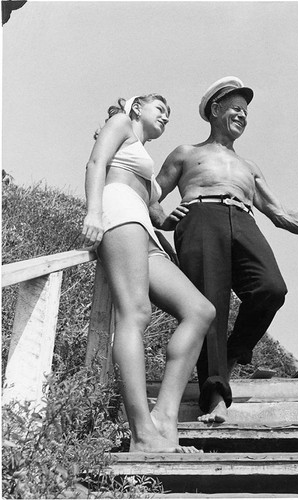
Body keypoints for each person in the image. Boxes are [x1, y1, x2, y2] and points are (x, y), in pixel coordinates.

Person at [150, 76, 298, 424]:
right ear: (215, 109)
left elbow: (281, 215)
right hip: (200, 217)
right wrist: (162, 218)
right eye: (236, 108)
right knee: (211, 306)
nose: (242, 115)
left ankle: (235, 353)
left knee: (271, 288)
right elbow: (152, 193)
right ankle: (216, 398)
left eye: (246, 111)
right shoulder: (186, 153)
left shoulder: (249, 168)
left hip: (244, 218)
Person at [81, 93, 215, 452]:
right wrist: (94, 211)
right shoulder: (121, 123)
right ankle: (142, 434)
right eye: (161, 110)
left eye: (170, 114)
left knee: (200, 311)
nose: (167, 117)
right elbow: (96, 163)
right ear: (138, 108)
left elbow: (153, 207)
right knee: (136, 312)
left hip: (143, 228)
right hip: (117, 211)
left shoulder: (143, 158)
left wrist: (164, 220)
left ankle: (163, 420)